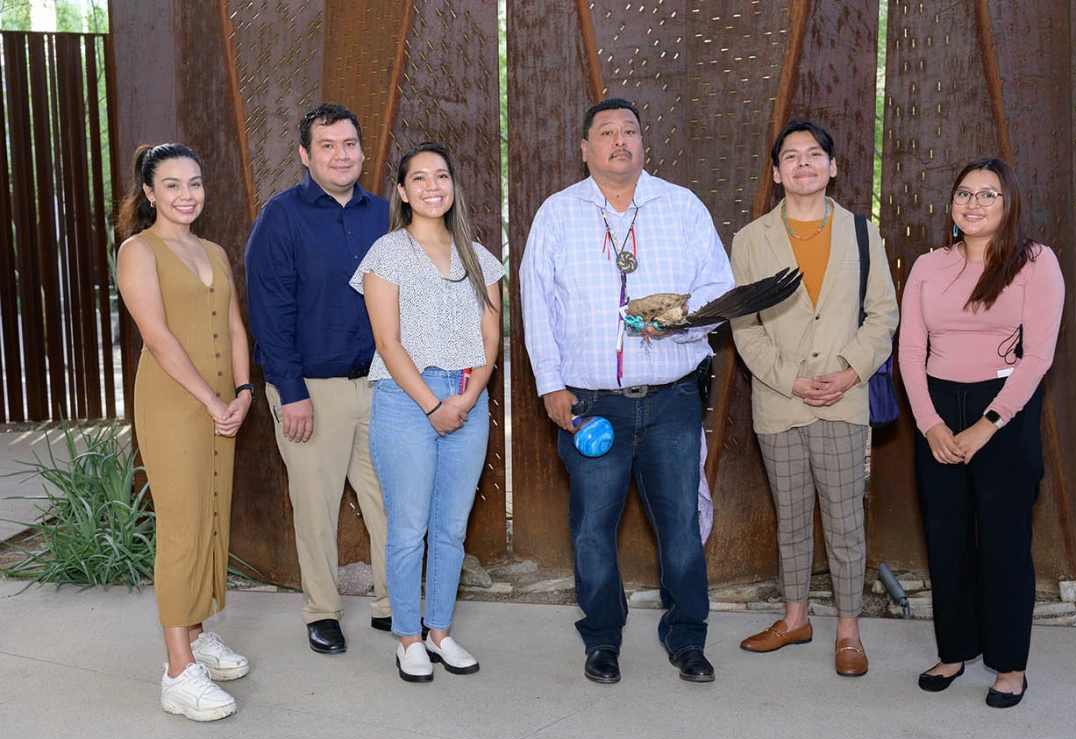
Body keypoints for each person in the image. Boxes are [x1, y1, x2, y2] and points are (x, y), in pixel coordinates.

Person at [520, 97, 734, 685]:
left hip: (671, 398)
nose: (621, 141)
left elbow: (721, 289)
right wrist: (550, 387)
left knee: (681, 525)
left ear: (645, 144)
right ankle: (602, 639)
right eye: (606, 133)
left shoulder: (681, 207)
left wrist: (683, 316)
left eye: (631, 131)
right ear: (586, 149)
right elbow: (536, 305)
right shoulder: (557, 215)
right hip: (590, 402)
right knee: (592, 528)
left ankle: (687, 637)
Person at [730, 120, 898, 677]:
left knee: (847, 521)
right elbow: (745, 328)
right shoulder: (751, 240)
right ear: (776, 173)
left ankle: (848, 629)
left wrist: (850, 372)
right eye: (791, 157)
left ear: (832, 167)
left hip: (843, 401)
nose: (803, 163)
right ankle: (795, 617)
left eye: (814, 154)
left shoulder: (860, 233)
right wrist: (790, 380)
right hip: (781, 404)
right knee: (793, 518)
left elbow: (883, 315)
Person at [898, 157, 1063, 708]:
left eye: (988, 195)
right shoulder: (928, 265)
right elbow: (909, 351)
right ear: (951, 205)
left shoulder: (1036, 263)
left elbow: (1039, 355)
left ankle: (1009, 664)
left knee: (1003, 541)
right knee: (945, 539)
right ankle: (954, 651)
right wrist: (931, 424)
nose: (973, 203)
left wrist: (987, 425)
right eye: (964, 193)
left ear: (1008, 203)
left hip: (1004, 409)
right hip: (939, 407)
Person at [350, 142, 503, 683]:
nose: (433, 186)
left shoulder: (479, 258)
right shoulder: (386, 253)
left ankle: (441, 632)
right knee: (409, 527)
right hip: (404, 398)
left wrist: (465, 398)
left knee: (451, 528)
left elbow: (491, 337)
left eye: (442, 175)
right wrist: (434, 404)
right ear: (402, 191)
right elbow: (388, 343)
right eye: (420, 178)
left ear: (454, 185)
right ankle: (409, 639)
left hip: (468, 397)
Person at [245, 103, 391, 654]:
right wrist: (293, 393)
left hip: (382, 386)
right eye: (327, 145)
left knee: (391, 503)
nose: (341, 155)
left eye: (349, 143)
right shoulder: (280, 218)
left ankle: (391, 605)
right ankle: (322, 612)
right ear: (306, 155)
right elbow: (269, 313)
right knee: (315, 506)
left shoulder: (385, 215)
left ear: (361, 149)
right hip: (311, 391)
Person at [116, 143, 252, 721]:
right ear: (149, 193)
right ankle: (178, 672)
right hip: (176, 403)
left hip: (223, 401)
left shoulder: (214, 250)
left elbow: (235, 326)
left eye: (194, 182)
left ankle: (196, 635)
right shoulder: (138, 250)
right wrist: (212, 400)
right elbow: (157, 336)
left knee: (211, 514)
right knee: (181, 525)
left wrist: (242, 394)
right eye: (171, 185)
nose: (186, 194)